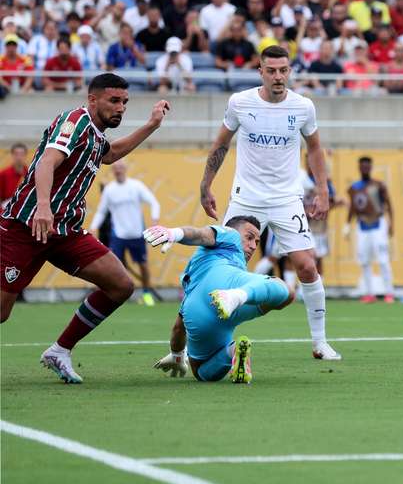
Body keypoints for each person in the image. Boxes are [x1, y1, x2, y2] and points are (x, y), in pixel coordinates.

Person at [0, 73, 170, 383]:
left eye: (124, 102)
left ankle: (59, 351)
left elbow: (111, 154)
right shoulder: (75, 121)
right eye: (114, 101)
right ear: (92, 99)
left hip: (65, 231)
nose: (120, 108)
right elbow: (46, 162)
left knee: (120, 285)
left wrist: (151, 125)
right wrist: (43, 206)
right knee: (1, 312)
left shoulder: (97, 136)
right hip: (27, 226)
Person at [198, 45, 340, 361]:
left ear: (290, 71)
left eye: (283, 70)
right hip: (246, 198)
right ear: (260, 71)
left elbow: (315, 149)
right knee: (220, 268)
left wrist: (323, 191)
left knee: (307, 266)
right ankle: (199, 340)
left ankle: (320, 343)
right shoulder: (240, 102)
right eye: (272, 71)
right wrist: (206, 185)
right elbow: (220, 144)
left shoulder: (303, 106)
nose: (278, 77)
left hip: (286, 199)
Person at [147, 217, 294, 383]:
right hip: (226, 286)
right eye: (249, 237)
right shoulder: (230, 234)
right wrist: (174, 233)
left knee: (200, 371)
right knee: (286, 291)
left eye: (257, 242)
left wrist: (177, 355)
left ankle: (233, 351)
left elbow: (178, 328)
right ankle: (237, 296)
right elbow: (200, 234)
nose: (253, 246)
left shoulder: (198, 270)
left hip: (198, 309)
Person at [89, 159, 161, 307]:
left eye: (120, 167)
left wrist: (155, 220)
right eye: (115, 168)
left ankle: (146, 294)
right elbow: (101, 211)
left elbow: (154, 202)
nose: (118, 170)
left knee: (143, 265)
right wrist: (93, 227)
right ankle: (114, 294)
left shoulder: (136, 186)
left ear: (125, 169)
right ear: (113, 170)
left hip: (137, 234)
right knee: (112, 266)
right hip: (118, 236)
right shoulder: (109, 190)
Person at [346, 156, 395, 304]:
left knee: (383, 260)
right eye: (362, 166)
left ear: (371, 168)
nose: (365, 169)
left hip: (378, 225)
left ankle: (389, 293)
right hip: (362, 226)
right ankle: (369, 293)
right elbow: (352, 207)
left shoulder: (379, 185)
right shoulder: (354, 188)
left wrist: (391, 223)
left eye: (367, 166)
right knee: (364, 261)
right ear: (359, 168)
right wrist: (347, 225)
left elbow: (389, 204)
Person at [0, 143, 28, 208]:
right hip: (7, 208)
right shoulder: (3, 174)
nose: (19, 157)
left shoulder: (30, 174)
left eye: (22, 154)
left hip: (25, 207)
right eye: (16, 154)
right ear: (12, 155)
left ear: (25, 155)